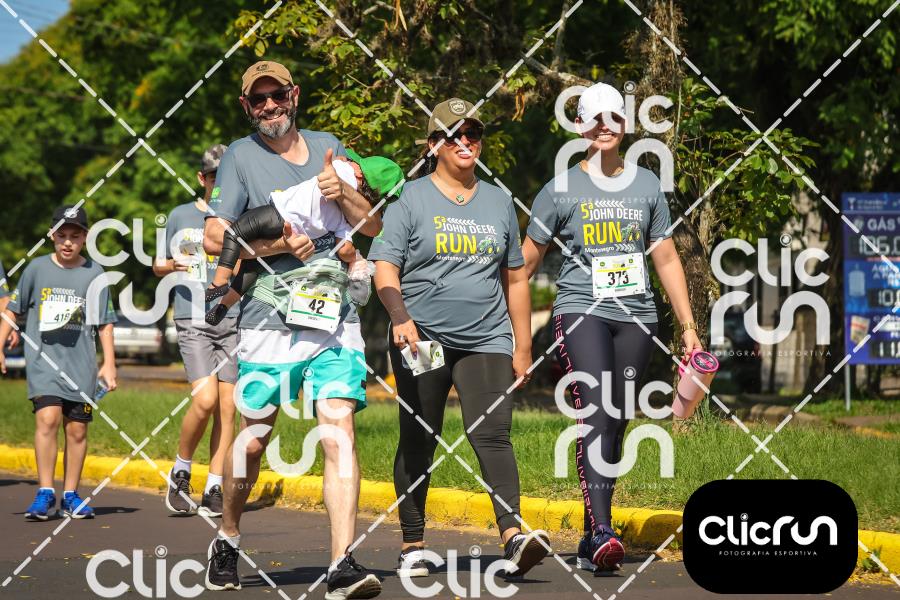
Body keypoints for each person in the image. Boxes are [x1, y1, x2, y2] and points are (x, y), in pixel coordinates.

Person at [202, 61, 383, 598]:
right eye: (257, 100)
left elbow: (372, 223)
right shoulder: (239, 156)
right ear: (246, 106)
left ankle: (342, 562)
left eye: (276, 95)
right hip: (269, 318)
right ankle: (228, 536)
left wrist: (342, 191)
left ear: (294, 94)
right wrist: (282, 243)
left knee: (338, 429)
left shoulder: (330, 145)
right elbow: (214, 236)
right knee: (254, 440)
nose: (269, 106)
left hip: (334, 317)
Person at [521, 82, 703, 572]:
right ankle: (604, 530)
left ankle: (589, 536)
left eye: (614, 118)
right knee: (598, 408)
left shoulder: (646, 185)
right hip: (581, 309)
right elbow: (525, 264)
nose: (605, 126)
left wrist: (687, 326)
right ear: (582, 127)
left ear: (625, 124)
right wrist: (506, 326)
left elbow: (666, 258)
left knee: (617, 418)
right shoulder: (559, 188)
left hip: (637, 317)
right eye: (595, 119)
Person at [371, 98, 550, 579]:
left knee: (491, 431)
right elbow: (385, 266)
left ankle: (513, 536)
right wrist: (400, 316)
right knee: (420, 435)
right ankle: (413, 543)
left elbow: (515, 277)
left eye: (473, 133)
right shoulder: (410, 198)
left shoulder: (498, 200)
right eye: (454, 134)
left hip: (487, 337)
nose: (465, 141)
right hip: (422, 338)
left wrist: (523, 345)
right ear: (434, 145)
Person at [0, 205, 117, 521]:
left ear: (85, 237)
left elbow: (104, 322)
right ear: (51, 235)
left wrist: (109, 363)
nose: (67, 242)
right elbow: (12, 310)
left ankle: (71, 495)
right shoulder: (36, 269)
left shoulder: (94, 273)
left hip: (82, 367)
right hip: (44, 364)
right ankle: (45, 492)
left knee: (77, 430)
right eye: (62, 235)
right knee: (48, 419)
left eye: (74, 236)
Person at [203, 149, 399, 326]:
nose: (349, 161)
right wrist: (354, 258)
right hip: (296, 239)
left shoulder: (341, 171)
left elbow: (340, 160)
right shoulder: (347, 218)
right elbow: (345, 249)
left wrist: (343, 162)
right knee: (251, 269)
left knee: (233, 234)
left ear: (359, 173)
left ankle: (218, 283)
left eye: (354, 162)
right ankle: (223, 306)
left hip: (276, 215)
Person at [152, 144, 238, 517]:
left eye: (226, 178)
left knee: (228, 408)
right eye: (214, 177)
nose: (220, 184)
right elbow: (157, 265)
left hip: (233, 317)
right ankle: (181, 470)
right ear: (202, 178)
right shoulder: (179, 215)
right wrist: (174, 263)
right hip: (193, 317)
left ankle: (215, 485)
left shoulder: (241, 214)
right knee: (204, 401)